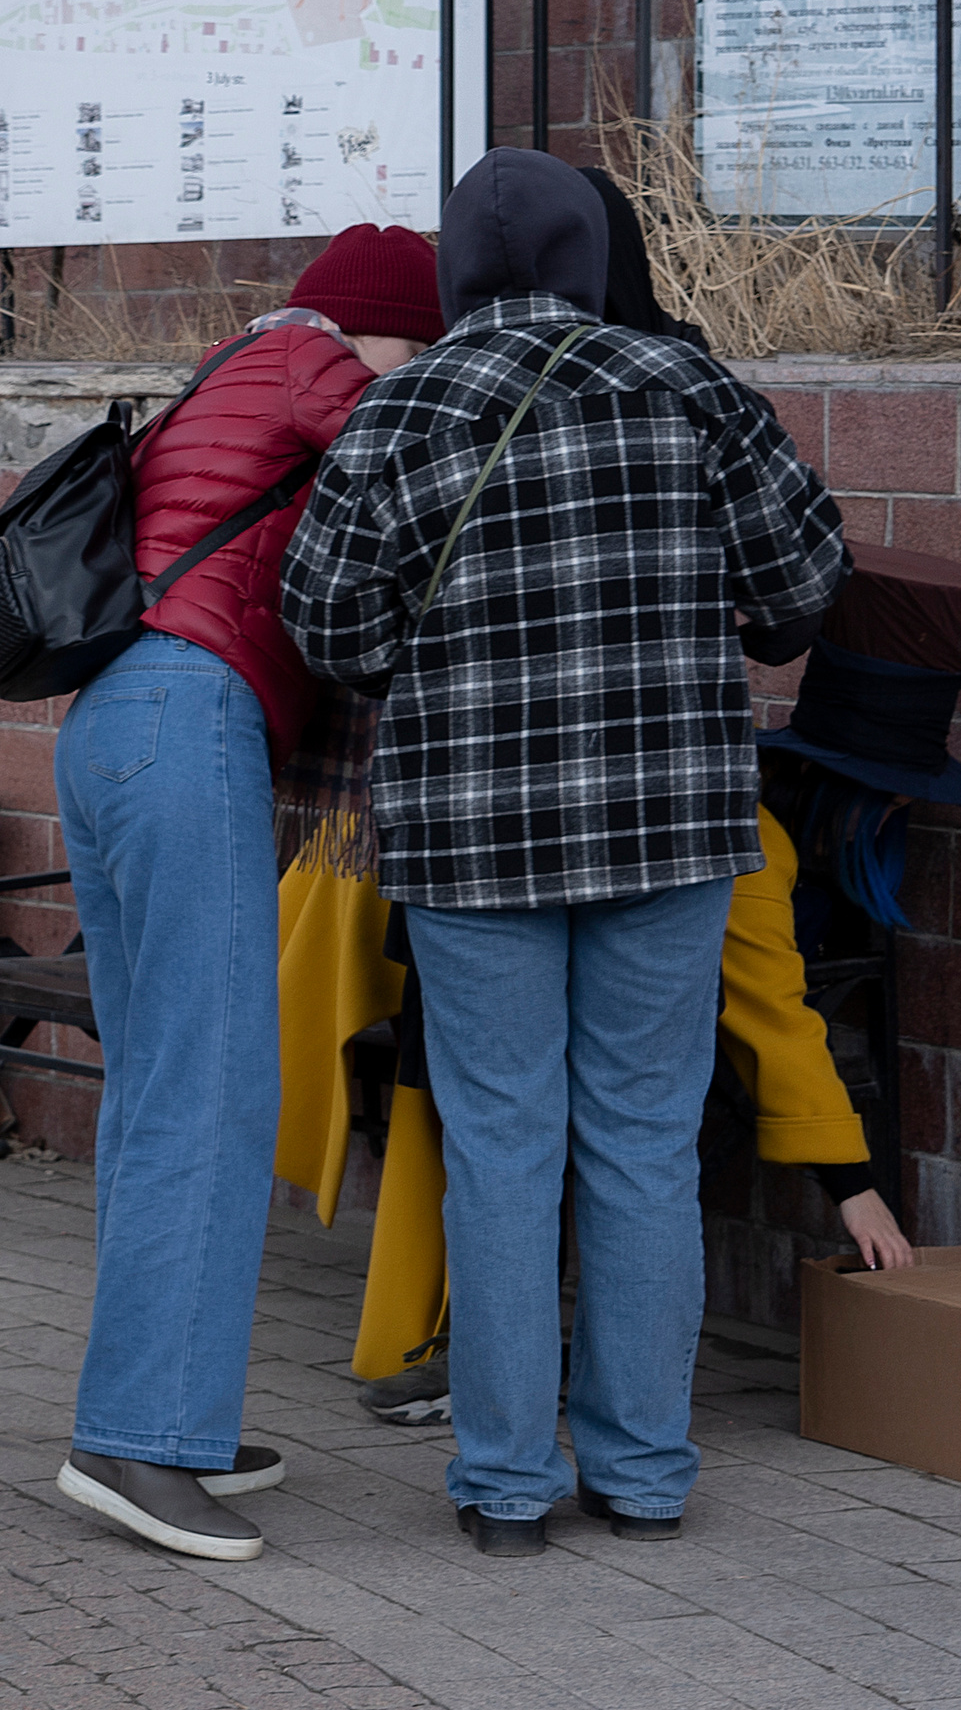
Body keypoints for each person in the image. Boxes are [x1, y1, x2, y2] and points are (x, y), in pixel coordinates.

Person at [280, 148, 847, 1556]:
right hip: (671, 828)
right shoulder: (693, 389)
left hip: (475, 839)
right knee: (646, 1149)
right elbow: (803, 586)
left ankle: (505, 1487)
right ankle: (646, 1475)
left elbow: (328, 628)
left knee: (501, 1149)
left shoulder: (402, 406)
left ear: (458, 268)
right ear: (593, 258)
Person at [50, 224, 441, 1566]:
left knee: (156, 1082)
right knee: (214, 1089)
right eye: (422, 344)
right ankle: (145, 1442)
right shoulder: (320, 365)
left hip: (108, 722)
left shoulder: (228, 363)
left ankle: (154, 1416)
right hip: (191, 719)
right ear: (386, 329)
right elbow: (408, 461)